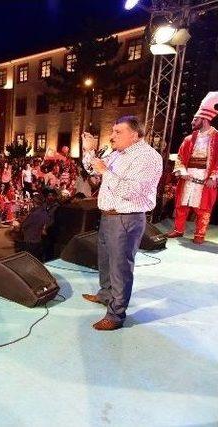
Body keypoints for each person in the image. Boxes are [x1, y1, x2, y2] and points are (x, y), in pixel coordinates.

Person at [81, 116, 162, 331]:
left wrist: (106, 171)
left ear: (135, 135)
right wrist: (89, 151)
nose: (112, 136)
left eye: (118, 132)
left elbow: (132, 191)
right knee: (106, 261)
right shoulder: (117, 153)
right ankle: (106, 295)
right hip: (108, 216)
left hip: (126, 218)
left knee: (120, 267)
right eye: (113, 131)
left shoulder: (148, 158)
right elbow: (91, 170)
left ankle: (116, 315)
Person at [166, 92, 218, 244]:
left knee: (203, 208)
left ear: (204, 119)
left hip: (206, 177)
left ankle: (200, 234)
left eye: (195, 119)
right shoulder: (189, 139)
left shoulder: (217, 137)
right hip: (188, 176)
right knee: (182, 204)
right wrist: (182, 171)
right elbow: (180, 157)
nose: (192, 122)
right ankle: (178, 229)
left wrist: (213, 177)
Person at [20, 193, 51, 261]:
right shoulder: (45, 213)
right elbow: (47, 223)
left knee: (29, 259)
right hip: (38, 239)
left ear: (34, 202)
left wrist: (23, 222)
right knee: (36, 258)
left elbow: (25, 224)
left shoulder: (34, 214)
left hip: (30, 239)